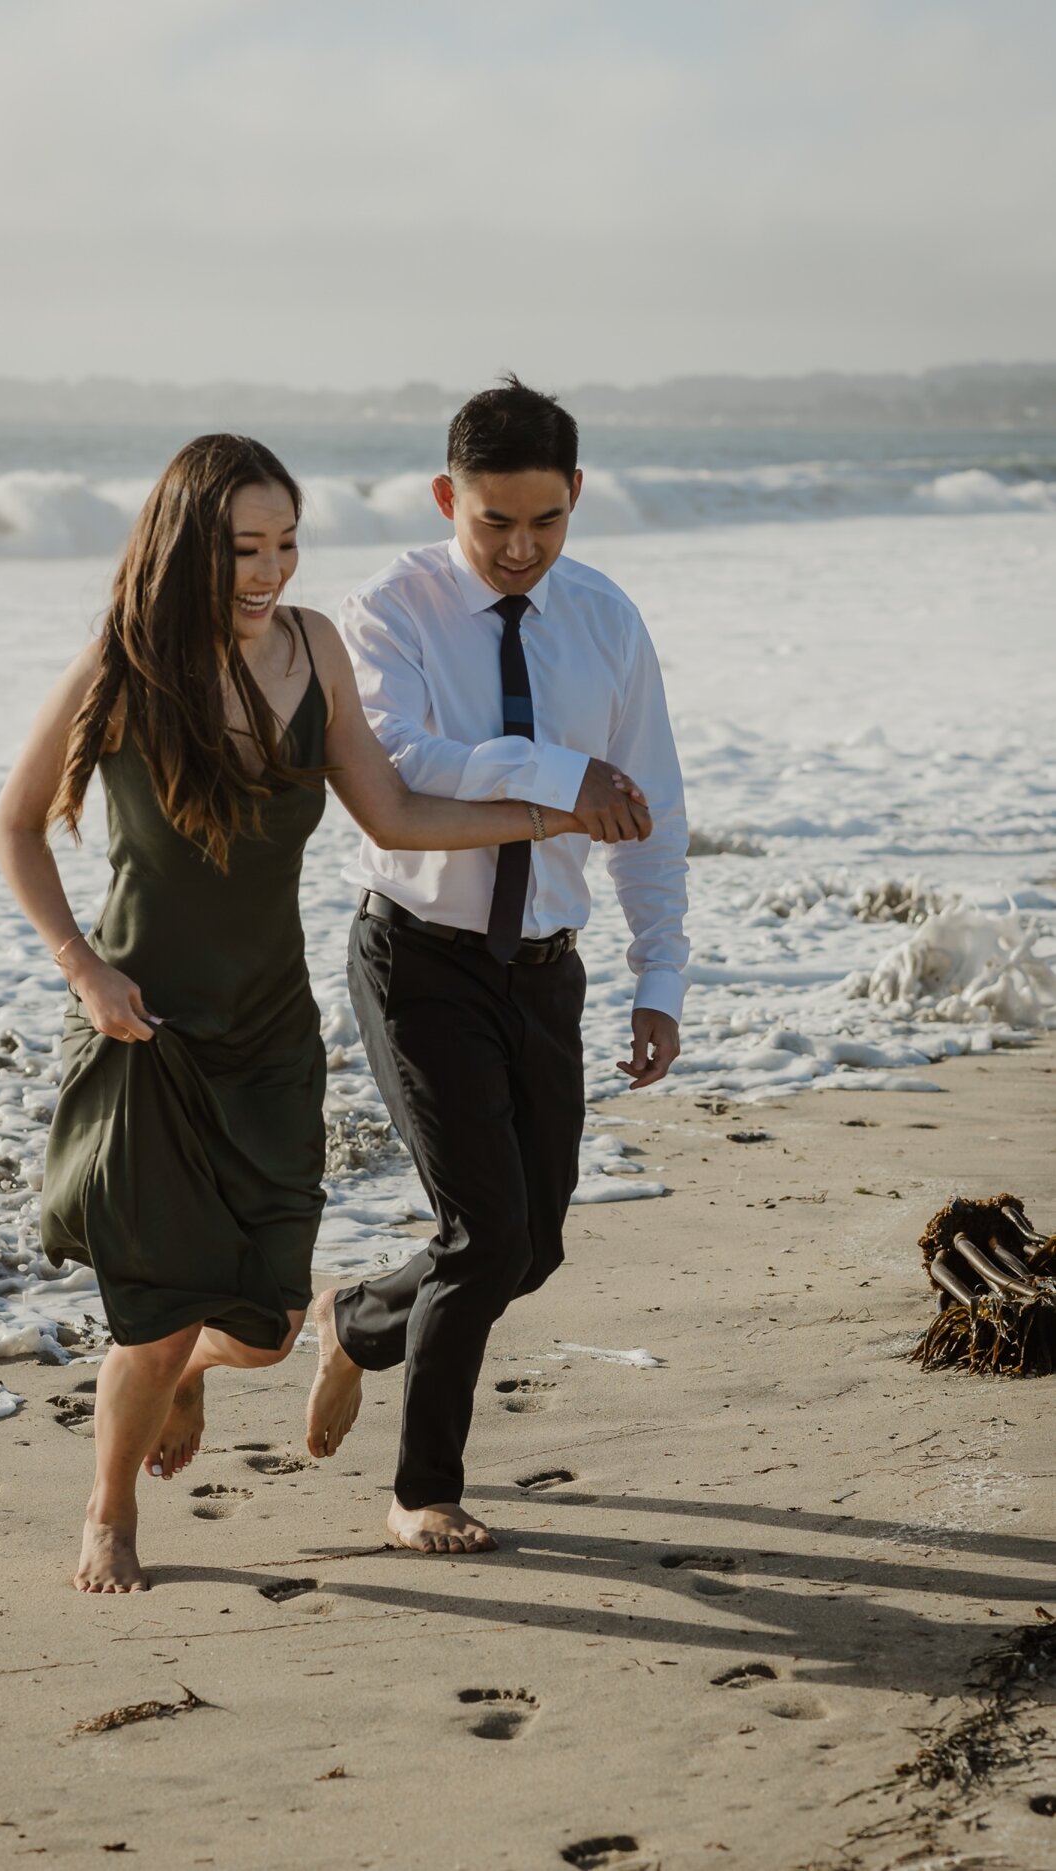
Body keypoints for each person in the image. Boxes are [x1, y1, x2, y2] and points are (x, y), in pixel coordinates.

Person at [0, 433, 651, 1593]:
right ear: (182, 546)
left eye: (284, 544)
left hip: (267, 1029)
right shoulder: (123, 664)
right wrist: (81, 970)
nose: (266, 571)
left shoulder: (314, 650)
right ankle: (110, 1512)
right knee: (145, 1320)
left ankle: (198, 1362)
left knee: (264, 1328)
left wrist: (550, 818)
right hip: (141, 1024)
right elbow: (14, 826)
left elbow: (392, 812)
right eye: (241, 548)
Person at [304, 376, 689, 1555]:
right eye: (493, 522)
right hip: (417, 956)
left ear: (575, 496)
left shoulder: (606, 618)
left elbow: (652, 806)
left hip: (543, 964)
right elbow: (404, 763)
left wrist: (656, 976)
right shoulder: (387, 610)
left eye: (546, 521)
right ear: (444, 497)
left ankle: (360, 1321)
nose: (521, 548)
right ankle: (423, 1487)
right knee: (483, 1235)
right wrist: (552, 774)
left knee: (536, 1242)